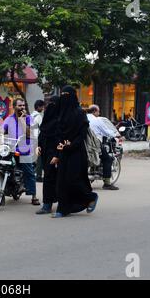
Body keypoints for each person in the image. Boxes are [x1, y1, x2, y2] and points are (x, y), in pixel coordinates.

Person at [51, 85, 98, 218]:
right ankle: (62, 209)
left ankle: (91, 197)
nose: (64, 98)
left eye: (67, 95)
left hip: (77, 151)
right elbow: (58, 131)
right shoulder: (61, 112)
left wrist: (71, 145)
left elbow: (82, 134)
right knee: (61, 181)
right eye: (63, 95)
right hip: (64, 151)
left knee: (73, 179)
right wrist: (60, 145)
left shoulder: (80, 113)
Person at [0, 97, 39, 205]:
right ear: (14, 107)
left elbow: (29, 134)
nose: (22, 107)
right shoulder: (9, 118)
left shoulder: (29, 118)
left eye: (23, 105)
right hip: (11, 148)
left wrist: (22, 120)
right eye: (19, 105)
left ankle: (33, 195)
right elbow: (3, 129)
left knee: (29, 172)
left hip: (24, 149)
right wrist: (1, 132)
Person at [35, 95, 61, 214]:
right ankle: (47, 204)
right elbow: (42, 133)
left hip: (56, 154)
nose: (50, 106)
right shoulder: (47, 118)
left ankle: (57, 203)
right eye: (49, 103)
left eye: (53, 104)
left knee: (57, 179)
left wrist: (57, 155)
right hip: (45, 152)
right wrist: (38, 145)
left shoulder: (61, 120)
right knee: (48, 178)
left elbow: (62, 139)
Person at [87, 104, 120, 190]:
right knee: (107, 159)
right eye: (98, 111)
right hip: (94, 144)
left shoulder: (83, 118)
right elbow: (106, 131)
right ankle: (107, 183)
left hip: (82, 144)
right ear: (94, 111)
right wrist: (116, 135)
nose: (99, 113)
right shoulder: (97, 120)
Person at [31, 99, 45, 182]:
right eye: (42, 106)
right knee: (39, 158)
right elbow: (42, 129)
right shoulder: (39, 116)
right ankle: (38, 176)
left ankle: (33, 174)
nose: (43, 108)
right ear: (38, 107)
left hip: (31, 139)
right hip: (36, 139)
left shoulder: (31, 115)